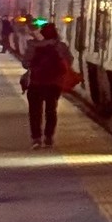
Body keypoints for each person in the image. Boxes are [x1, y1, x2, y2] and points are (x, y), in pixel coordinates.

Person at [20, 19, 75, 150]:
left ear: (43, 33)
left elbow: (25, 63)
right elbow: (69, 61)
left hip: (36, 83)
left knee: (35, 112)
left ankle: (36, 139)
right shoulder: (60, 46)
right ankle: (49, 137)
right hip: (54, 84)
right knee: (51, 111)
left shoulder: (33, 45)